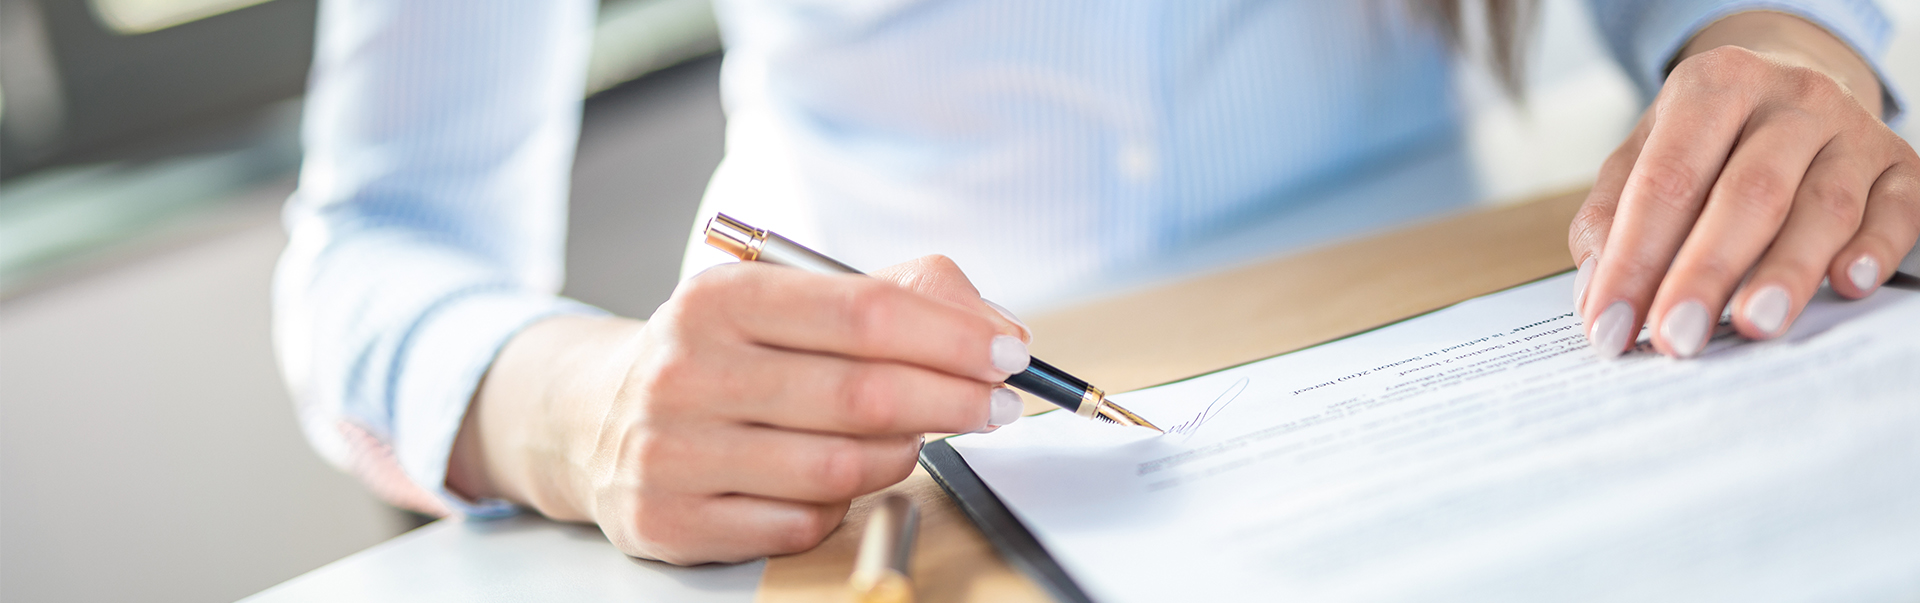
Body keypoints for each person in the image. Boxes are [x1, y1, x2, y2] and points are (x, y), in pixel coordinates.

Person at [275, 0, 1914, 565]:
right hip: (873, 481)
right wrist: (583, 409)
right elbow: (370, 251)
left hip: (1473, 376)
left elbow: (1742, 10)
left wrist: (1780, 61)